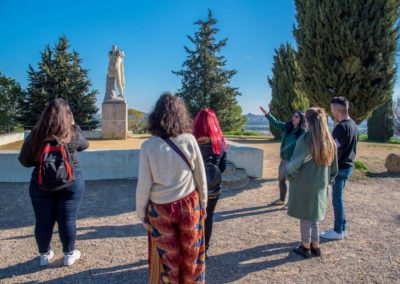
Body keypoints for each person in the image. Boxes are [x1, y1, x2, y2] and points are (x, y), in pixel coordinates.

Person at [136, 92, 208, 283]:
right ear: (181, 116)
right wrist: (204, 204)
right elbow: (201, 177)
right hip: (189, 205)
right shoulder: (189, 141)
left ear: (155, 118)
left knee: (168, 259)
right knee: (191, 255)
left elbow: (144, 185)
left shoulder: (148, 147)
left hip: (160, 208)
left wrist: (140, 212)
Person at [18, 98, 88, 266]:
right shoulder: (72, 132)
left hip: (41, 183)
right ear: (68, 116)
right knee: (68, 219)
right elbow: (85, 145)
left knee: (42, 220)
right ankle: (69, 254)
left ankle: (44, 255)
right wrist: (74, 124)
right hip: (70, 180)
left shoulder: (36, 135)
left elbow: (24, 161)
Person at [286, 107, 338, 258]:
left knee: (305, 216)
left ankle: (305, 247)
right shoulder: (330, 141)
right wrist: (329, 180)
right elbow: (334, 168)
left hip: (304, 182)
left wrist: (290, 176)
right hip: (321, 184)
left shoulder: (306, 139)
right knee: (315, 215)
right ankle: (316, 246)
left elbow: (295, 163)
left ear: (309, 121)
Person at [320, 97, 359, 240]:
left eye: (331, 110)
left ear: (336, 110)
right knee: (339, 199)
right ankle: (342, 228)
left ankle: (337, 231)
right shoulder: (353, 125)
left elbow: (332, 149)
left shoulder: (340, 128)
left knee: (337, 201)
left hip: (340, 168)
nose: (331, 113)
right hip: (348, 166)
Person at [193, 108, 227, 258]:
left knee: (194, 218)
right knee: (209, 216)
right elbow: (223, 168)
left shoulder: (192, 142)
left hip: (194, 188)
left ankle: (193, 246)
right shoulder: (220, 143)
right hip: (213, 188)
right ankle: (205, 249)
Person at [260, 105, 306, 208]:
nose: (294, 118)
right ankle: (282, 200)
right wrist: (267, 114)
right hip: (284, 160)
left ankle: (292, 202)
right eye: (293, 116)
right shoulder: (287, 127)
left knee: (293, 183)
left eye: (297, 117)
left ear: (301, 119)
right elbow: (275, 123)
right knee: (281, 179)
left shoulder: (303, 132)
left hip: (294, 162)